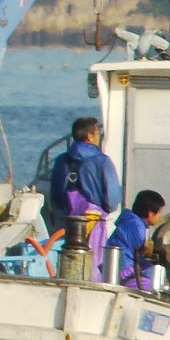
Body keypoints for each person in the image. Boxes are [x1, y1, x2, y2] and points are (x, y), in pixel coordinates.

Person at [46, 117, 121, 282]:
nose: (99, 136)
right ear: (90, 135)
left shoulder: (61, 161)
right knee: (94, 267)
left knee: (69, 264)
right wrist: (107, 208)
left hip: (69, 223)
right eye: (97, 132)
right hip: (94, 224)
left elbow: (56, 197)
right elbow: (112, 198)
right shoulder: (102, 161)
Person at [108, 189, 165, 291]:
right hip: (125, 273)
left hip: (127, 272)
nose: (160, 216)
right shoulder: (135, 225)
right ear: (150, 213)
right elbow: (143, 253)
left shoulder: (134, 223)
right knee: (153, 290)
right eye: (159, 212)